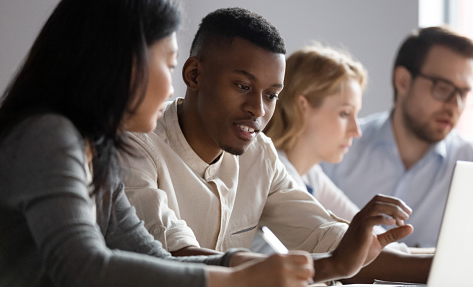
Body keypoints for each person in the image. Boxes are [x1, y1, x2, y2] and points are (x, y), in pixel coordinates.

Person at [0, 1, 318, 286]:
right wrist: (235, 279)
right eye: (170, 64)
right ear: (123, 60)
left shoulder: (96, 150)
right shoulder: (47, 134)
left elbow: (154, 258)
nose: (174, 88)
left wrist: (236, 265)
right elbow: (81, 267)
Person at [121, 7, 447, 284]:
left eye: (271, 95)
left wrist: (458, 264)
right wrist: (332, 263)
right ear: (194, 75)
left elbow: (330, 241)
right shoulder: (137, 146)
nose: (258, 109)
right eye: (243, 86)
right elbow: (176, 258)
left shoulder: (259, 153)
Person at [321, 26, 473, 248]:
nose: (455, 106)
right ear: (402, 81)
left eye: (463, 93)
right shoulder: (341, 146)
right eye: (443, 88)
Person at [262, 44, 409, 254]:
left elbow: (375, 238)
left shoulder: (311, 175)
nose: (356, 130)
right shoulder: (277, 171)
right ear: (302, 106)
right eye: (344, 114)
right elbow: (348, 247)